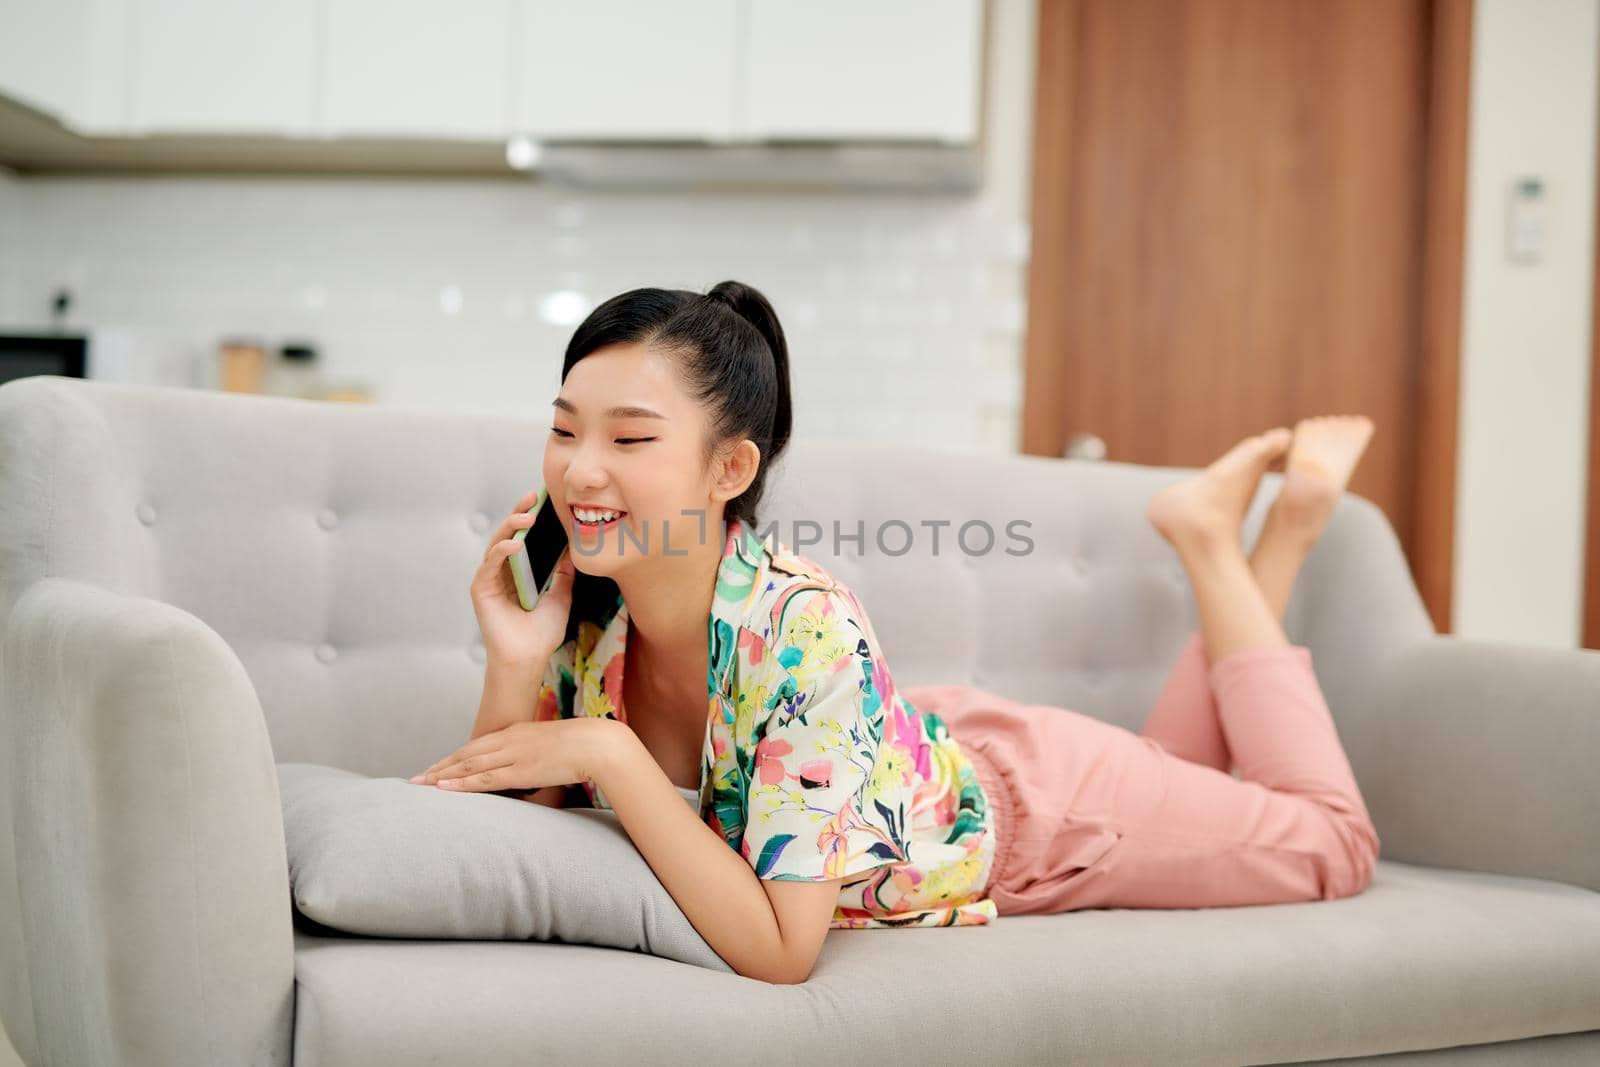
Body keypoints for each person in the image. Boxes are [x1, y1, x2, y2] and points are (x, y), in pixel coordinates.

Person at [410, 279, 1380, 984]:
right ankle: (1229, 542)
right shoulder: (593, 605)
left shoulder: (805, 627)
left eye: (628, 439)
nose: (579, 471)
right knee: (1184, 769)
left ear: (729, 470)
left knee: (1329, 842)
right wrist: (517, 655)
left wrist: (610, 754)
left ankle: (1237, 539)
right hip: (923, 750)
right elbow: (504, 829)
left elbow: (784, 949)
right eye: (565, 428)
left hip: (1046, 813)